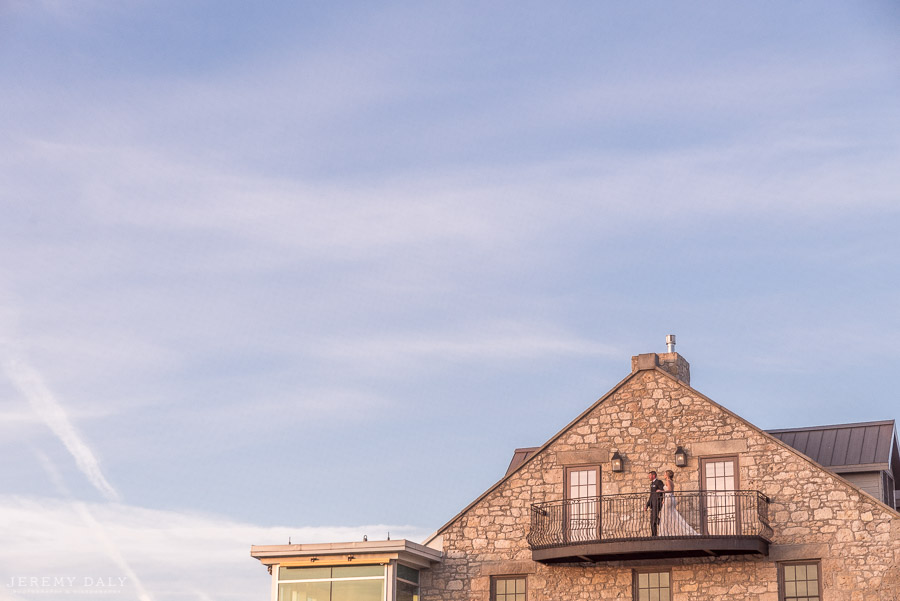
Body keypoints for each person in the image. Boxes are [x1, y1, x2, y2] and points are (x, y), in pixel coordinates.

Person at [659, 470, 698, 536]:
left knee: (665, 515)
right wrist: (663, 499)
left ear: (667, 475)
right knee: (671, 515)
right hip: (669, 498)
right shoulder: (671, 481)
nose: (664, 475)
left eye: (665, 474)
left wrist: (661, 491)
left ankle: (666, 532)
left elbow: (670, 490)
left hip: (669, 498)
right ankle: (670, 531)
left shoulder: (668, 481)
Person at [645, 470, 664, 536]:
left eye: (650, 475)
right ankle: (654, 535)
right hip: (652, 503)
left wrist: (662, 499)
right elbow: (651, 495)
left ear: (654, 475)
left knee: (655, 518)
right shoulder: (652, 484)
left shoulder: (658, 482)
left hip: (657, 502)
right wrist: (647, 505)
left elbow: (663, 490)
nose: (649, 477)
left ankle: (663, 525)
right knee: (652, 520)